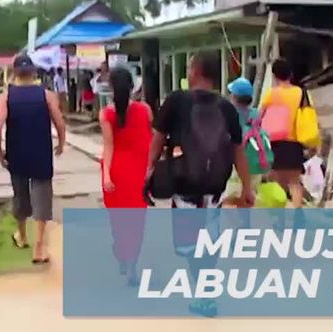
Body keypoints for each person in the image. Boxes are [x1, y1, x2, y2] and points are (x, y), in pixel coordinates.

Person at [148, 51, 255, 317]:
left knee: (189, 241)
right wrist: (247, 186)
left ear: (195, 71)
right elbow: (237, 149)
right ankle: (206, 289)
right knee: (209, 236)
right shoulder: (226, 107)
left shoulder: (176, 100)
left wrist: (149, 169)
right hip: (214, 186)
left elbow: (158, 138)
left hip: (184, 183)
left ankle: (204, 293)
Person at [0, 54, 66, 264]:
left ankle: (22, 236)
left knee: (20, 195)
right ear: (34, 72)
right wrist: (61, 142)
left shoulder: (6, 97)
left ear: (14, 72)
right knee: (42, 198)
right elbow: (59, 122)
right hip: (41, 152)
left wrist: (0, 152)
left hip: (17, 153)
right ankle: (39, 247)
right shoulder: (46, 95)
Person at [99, 66, 153, 286]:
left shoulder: (106, 114)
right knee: (137, 222)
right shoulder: (145, 110)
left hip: (118, 172)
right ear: (133, 86)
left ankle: (122, 252)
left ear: (111, 87)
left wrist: (106, 176)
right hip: (139, 172)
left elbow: (108, 147)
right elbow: (151, 141)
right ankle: (131, 263)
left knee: (119, 222)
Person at [259, 58, 312, 208]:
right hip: (295, 142)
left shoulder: (271, 94)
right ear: (291, 74)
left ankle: (280, 218)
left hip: (275, 142)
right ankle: (297, 216)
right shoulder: (301, 93)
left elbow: (259, 116)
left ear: (275, 76)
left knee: (278, 183)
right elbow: (309, 115)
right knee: (295, 183)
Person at [222, 76, 268, 206]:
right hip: (256, 161)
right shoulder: (255, 114)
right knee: (247, 198)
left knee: (225, 198)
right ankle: (244, 224)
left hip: (237, 162)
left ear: (234, 96)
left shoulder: (230, 114)